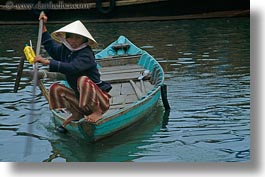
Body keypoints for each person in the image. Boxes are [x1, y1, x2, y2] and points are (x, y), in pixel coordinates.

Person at [34, 13, 112, 132]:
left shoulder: (86, 54)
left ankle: (97, 112)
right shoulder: (66, 50)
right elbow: (51, 48)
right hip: (81, 101)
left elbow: (72, 67)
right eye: (70, 37)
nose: (73, 41)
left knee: (83, 80)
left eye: (78, 38)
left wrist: (47, 62)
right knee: (56, 88)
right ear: (66, 38)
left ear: (84, 40)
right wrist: (43, 27)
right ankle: (76, 113)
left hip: (99, 100)